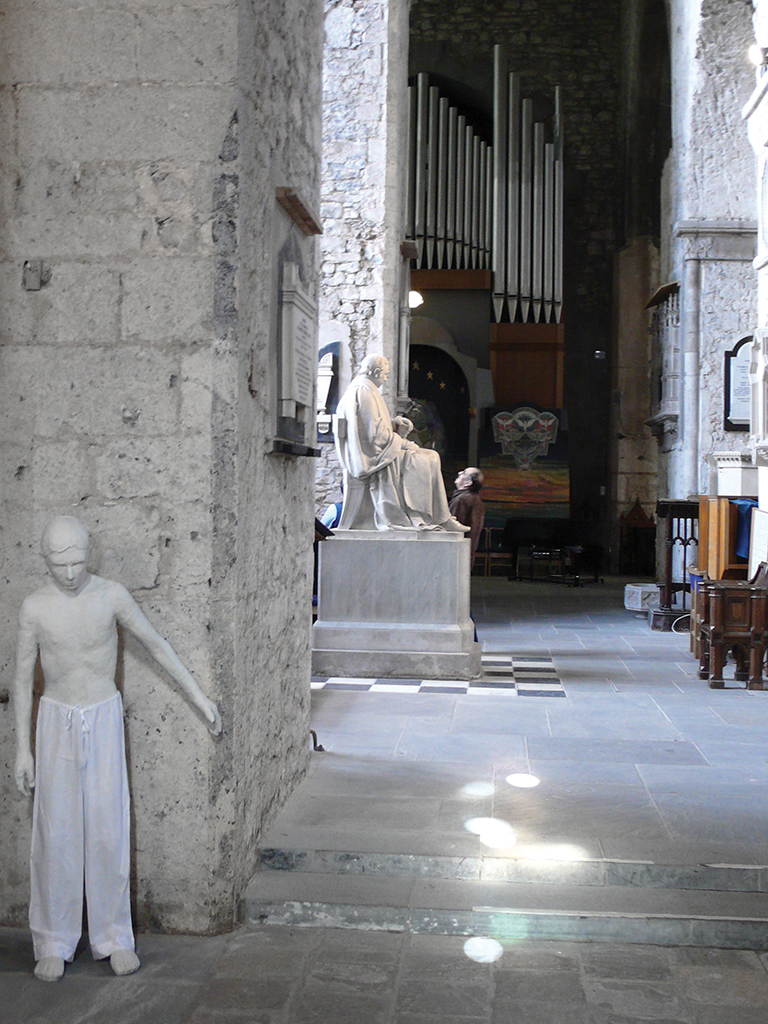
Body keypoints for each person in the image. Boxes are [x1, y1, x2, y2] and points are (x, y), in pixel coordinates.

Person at [13, 515, 222, 983]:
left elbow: (156, 644)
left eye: (78, 562)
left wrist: (199, 697)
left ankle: (113, 937)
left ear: (91, 554)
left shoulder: (110, 596)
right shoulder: (35, 607)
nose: (69, 574)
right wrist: (21, 751)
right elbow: (22, 680)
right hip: (56, 719)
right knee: (56, 833)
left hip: (103, 715)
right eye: (59, 565)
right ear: (45, 560)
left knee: (109, 827)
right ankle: (53, 938)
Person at [334, 354, 469, 533]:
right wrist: (403, 441)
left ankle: (441, 518)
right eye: (385, 373)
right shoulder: (364, 392)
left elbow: (373, 428)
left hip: (380, 450)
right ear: (375, 372)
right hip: (374, 458)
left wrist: (394, 424)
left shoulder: (365, 389)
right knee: (430, 458)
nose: (386, 377)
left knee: (431, 457)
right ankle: (431, 517)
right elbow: (374, 438)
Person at [449, 467, 485, 570]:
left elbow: (452, 527)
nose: (459, 472)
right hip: (466, 551)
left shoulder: (462, 500)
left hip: (456, 551)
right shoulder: (475, 499)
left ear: (468, 483)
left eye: (464, 473)